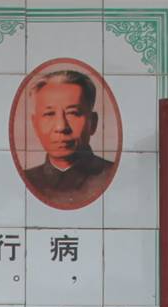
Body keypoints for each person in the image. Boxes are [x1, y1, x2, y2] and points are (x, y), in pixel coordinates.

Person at [18, 67, 116, 208]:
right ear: (35, 124)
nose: (61, 127)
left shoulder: (111, 175)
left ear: (93, 122)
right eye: (49, 114)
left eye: (73, 113)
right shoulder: (26, 180)